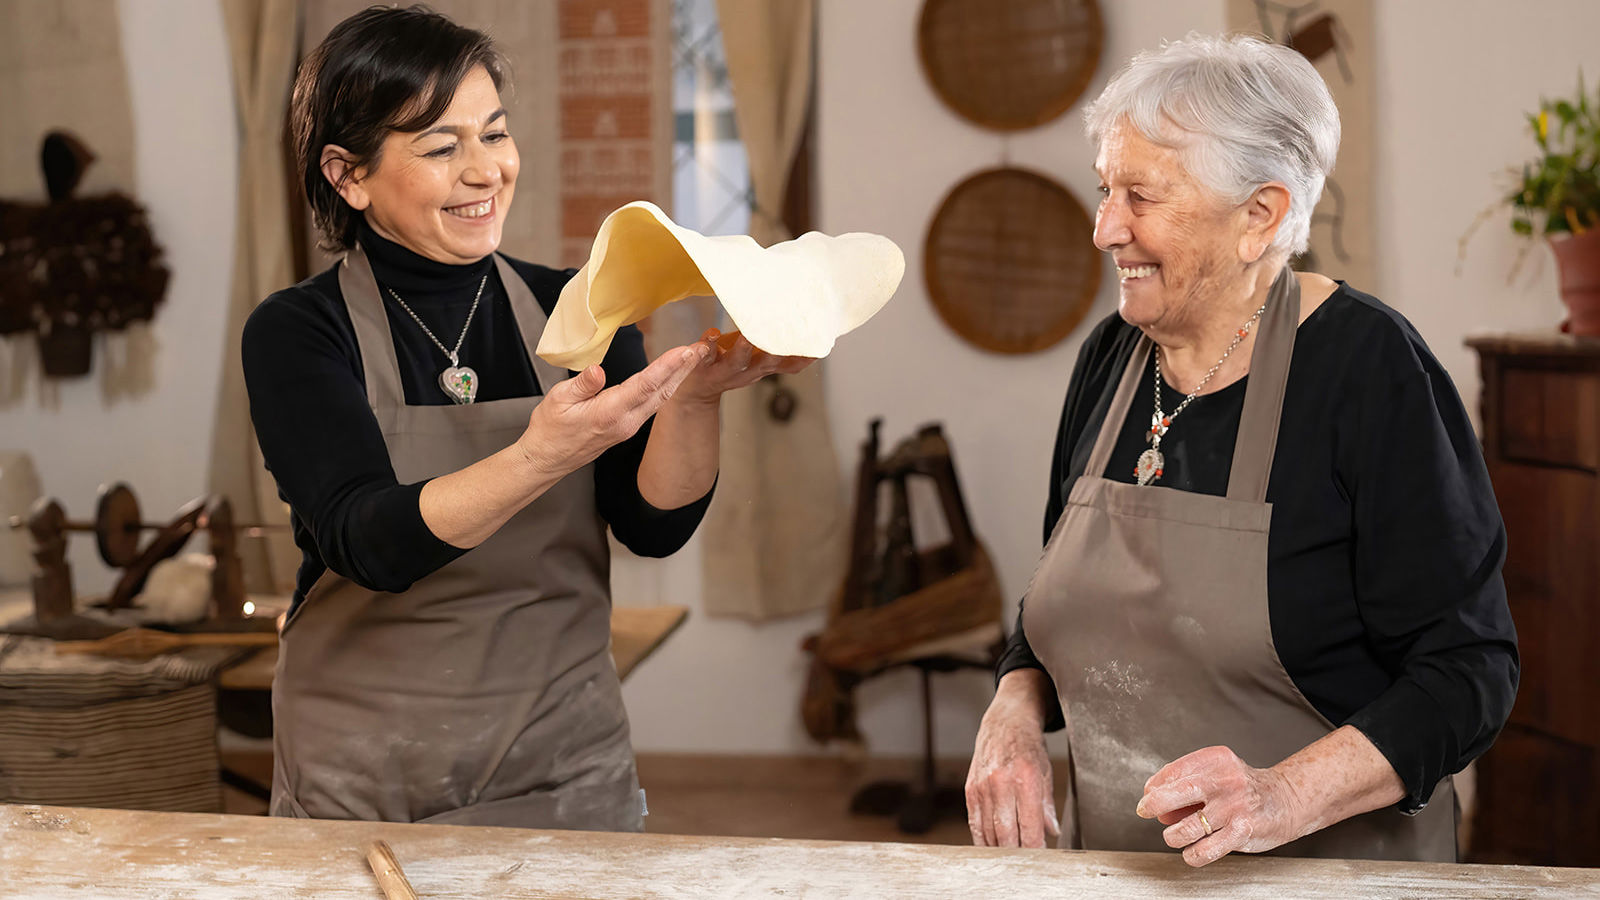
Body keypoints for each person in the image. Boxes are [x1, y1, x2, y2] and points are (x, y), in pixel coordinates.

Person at [242, 5, 808, 830]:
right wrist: (538, 456)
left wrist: (697, 397)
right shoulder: (298, 331)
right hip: (364, 769)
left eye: (496, 135)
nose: (486, 172)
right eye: (441, 147)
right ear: (347, 174)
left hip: (561, 757)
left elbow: (650, 524)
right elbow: (367, 539)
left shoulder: (574, 305)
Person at [964, 33, 1517, 866]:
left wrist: (1278, 796)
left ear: (1259, 215)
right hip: (1119, 873)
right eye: (1105, 189)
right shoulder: (1111, 358)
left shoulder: (1370, 370)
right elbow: (1049, 616)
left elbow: (1470, 671)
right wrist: (1012, 713)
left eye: (1141, 196)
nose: (1104, 229)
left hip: (1331, 878)